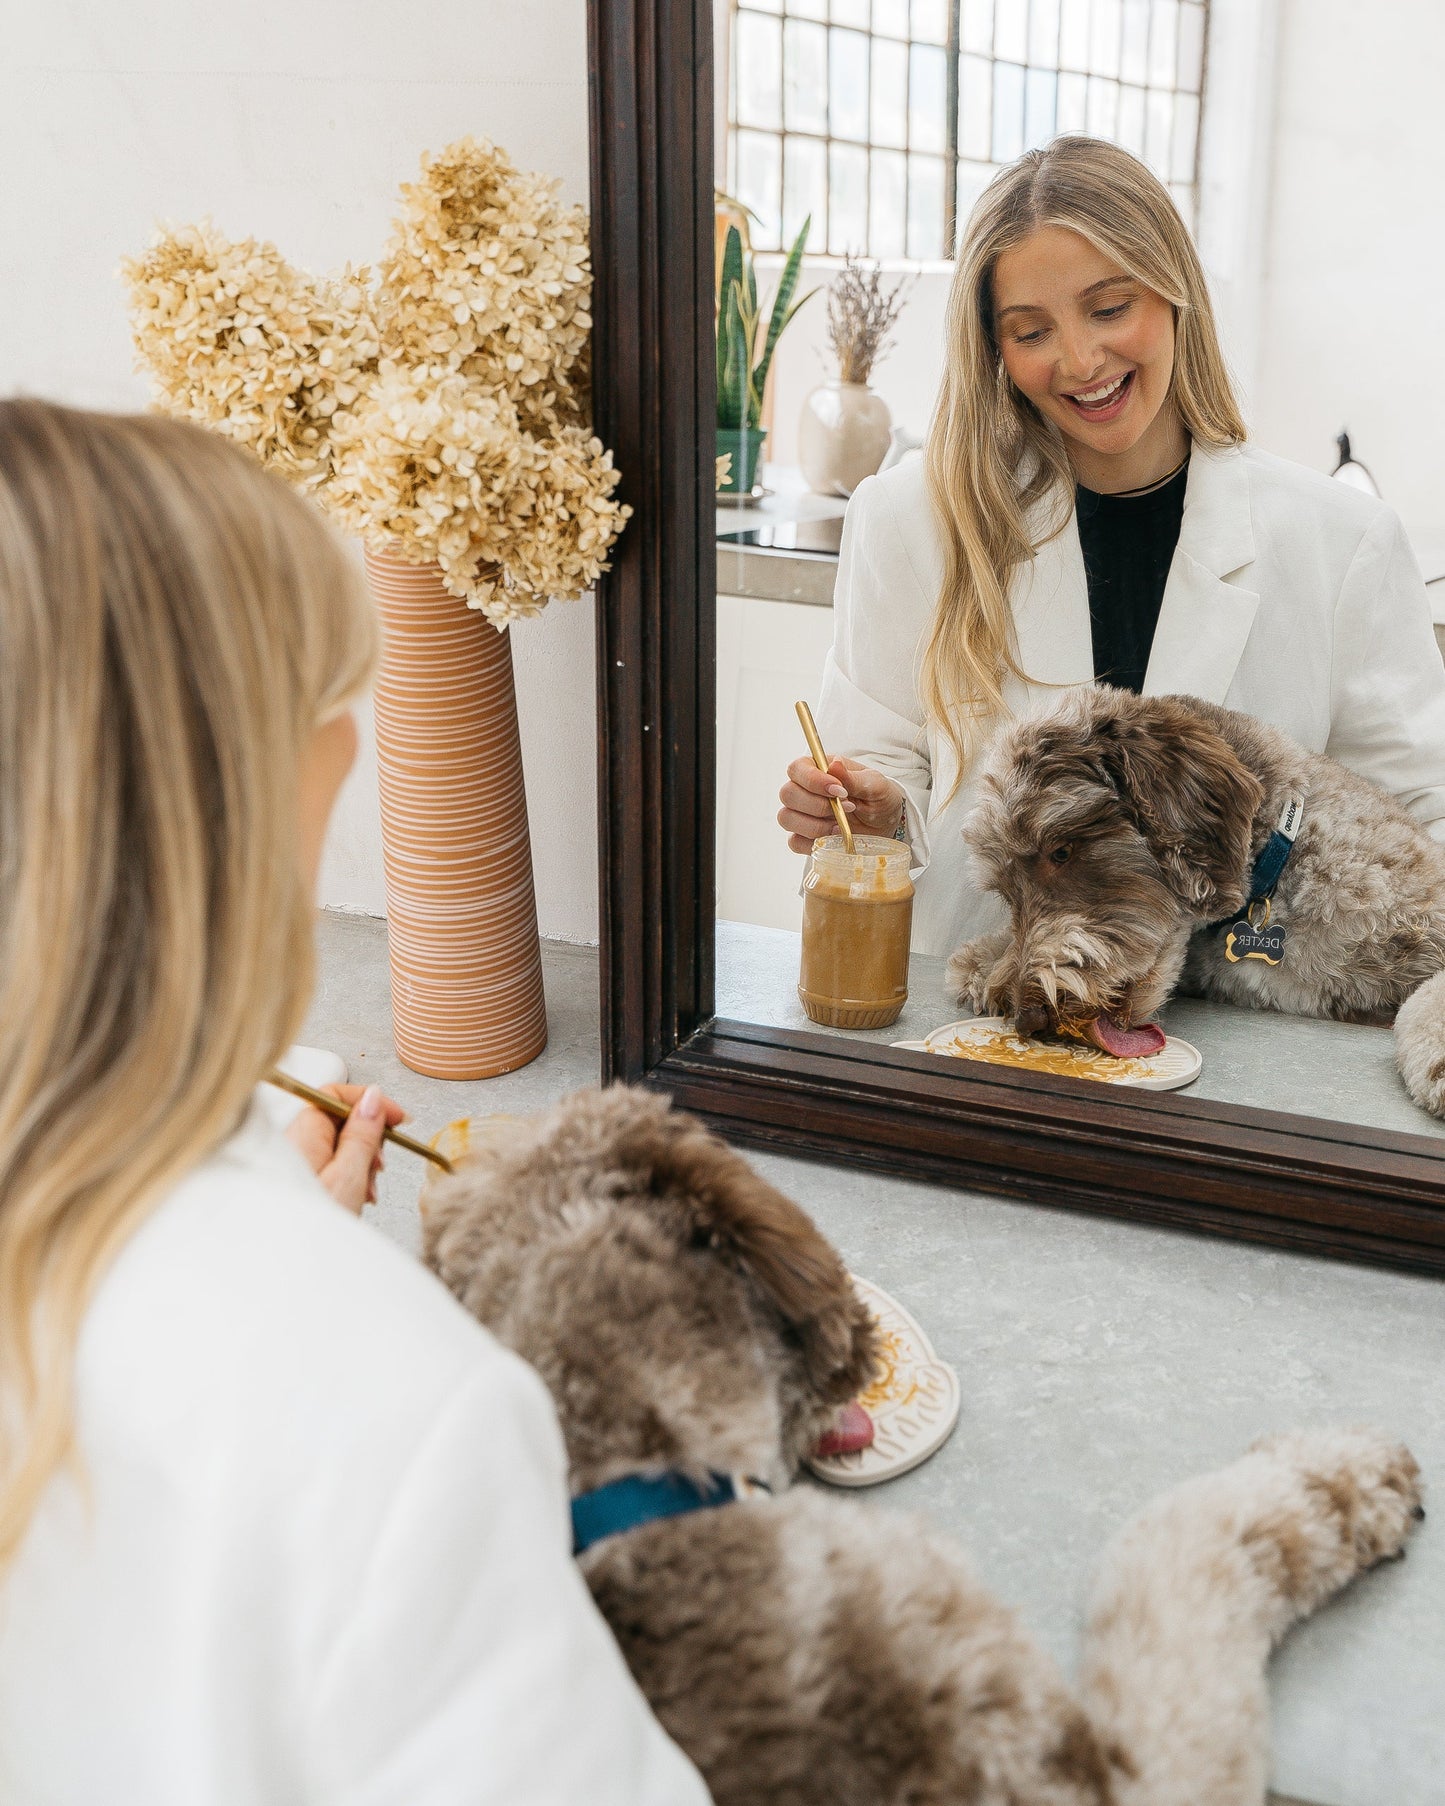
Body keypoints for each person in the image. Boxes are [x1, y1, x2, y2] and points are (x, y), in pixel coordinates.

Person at [0, 399, 709, 1805]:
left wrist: (258, 1213)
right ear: (272, 783)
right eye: (341, 712)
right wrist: (295, 1283)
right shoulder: (399, 1411)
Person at [777, 136, 1445, 957]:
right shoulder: (910, 520)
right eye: (1030, 331)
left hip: (1249, 1034)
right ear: (992, 347)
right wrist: (872, 817)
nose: (1080, 360)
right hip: (985, 1012)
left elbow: (1420, 825)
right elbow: (876, 785)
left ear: (1172, 293)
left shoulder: (1342, 545)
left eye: (1108, 307)